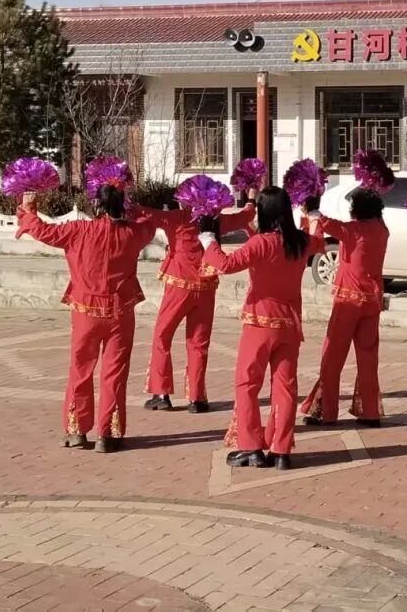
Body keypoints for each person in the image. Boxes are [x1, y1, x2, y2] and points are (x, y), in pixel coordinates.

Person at [17, 184, 156, 453]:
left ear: (96, 205)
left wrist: (28, 208)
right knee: (114, 373)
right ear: (121, 205)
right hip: (119, 313)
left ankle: (77, 431)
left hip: (85, 312)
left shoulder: (78, 230)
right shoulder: (133, 233)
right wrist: (132, 207)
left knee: (80, 370)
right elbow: (149, 223)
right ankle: (108, 435)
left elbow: (43, 231)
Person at [199, 186, 325, 470]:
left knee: (247, 384)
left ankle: (251, 446)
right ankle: (281, 450)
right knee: (285, 387)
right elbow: (319, 239)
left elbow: (225, 264)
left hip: (259, 322)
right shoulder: (300, 241)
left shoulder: (261, 243)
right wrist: (314, 213)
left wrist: (208, 238)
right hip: (289, 324)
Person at [141, 189, 258, 413]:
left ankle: (161, 393)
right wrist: (251, 196)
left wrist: (121, 195)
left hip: (178, 286)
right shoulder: (217, 221)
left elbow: (147, 213)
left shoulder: (179, 218)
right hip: (205, 288)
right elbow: (246, 215)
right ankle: (197, 399)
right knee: (198, 344)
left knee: (162, 337)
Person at [299, 187, 390, 427]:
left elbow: (324, 221)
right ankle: (370, 412)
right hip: (372, 301)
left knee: (332, 356)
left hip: (348, 301)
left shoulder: (353, 231)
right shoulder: (382, 230)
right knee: (368, 358)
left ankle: (327, 412)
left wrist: (311, 205)